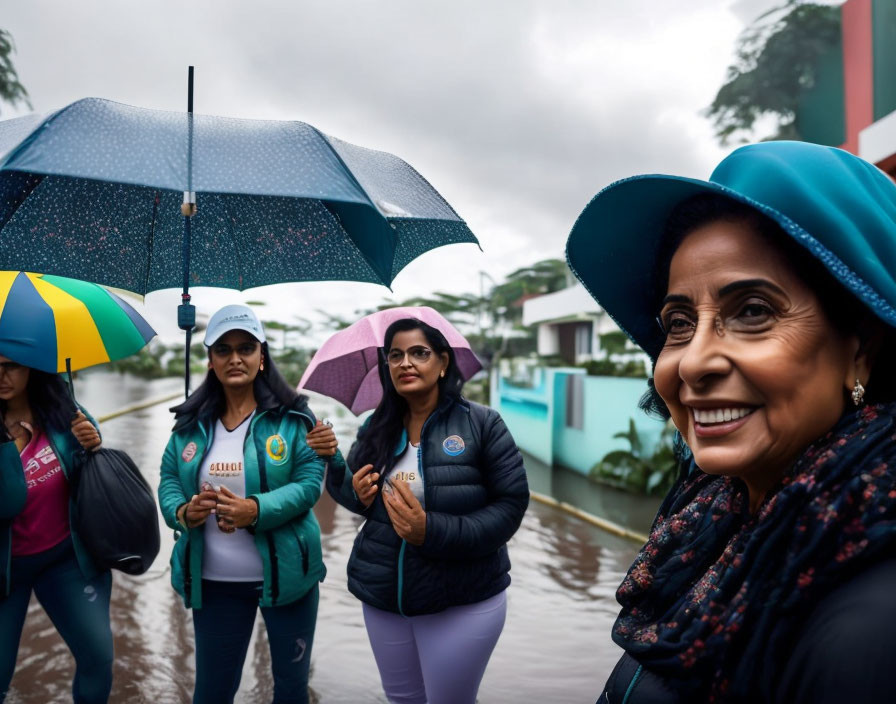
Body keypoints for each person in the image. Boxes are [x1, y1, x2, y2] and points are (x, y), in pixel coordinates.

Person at [564, 140, 896, 703]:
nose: (692, 361)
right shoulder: (713, 521)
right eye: (677, 321)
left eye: (752, 311)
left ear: (861, 350)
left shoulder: (871, 631)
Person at [306, 317, 529, 704]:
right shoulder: (377, 427)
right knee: (402, 699)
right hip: (384, 597)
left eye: (419, 353)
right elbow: (357, 501)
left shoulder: (482, 424)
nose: (405, 363)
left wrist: (430, 530)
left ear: (443, 363)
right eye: (395, 356)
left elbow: (510, 507)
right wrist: (336, 464)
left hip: (464, 599)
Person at [157, 304, 326, 704]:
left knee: (290, 689)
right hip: (215, 584)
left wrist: (256, 510)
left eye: (246, 348)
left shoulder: (292, 418)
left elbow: (309, 483)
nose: (235, 358)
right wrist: (183, 512)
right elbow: (167, 482)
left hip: (289, 576)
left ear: (262, 355)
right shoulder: (189, 426)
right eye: (223, 349)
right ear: (210, 360)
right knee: (212, 693)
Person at [0, 355, 108, 703]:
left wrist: (90, 441)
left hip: (64, 560)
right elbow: (9, 500)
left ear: (32, 366)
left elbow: (90, 453)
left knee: (99, 657)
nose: (0, 375)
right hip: (4, 571)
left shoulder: (61, 405)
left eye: (11, 365)